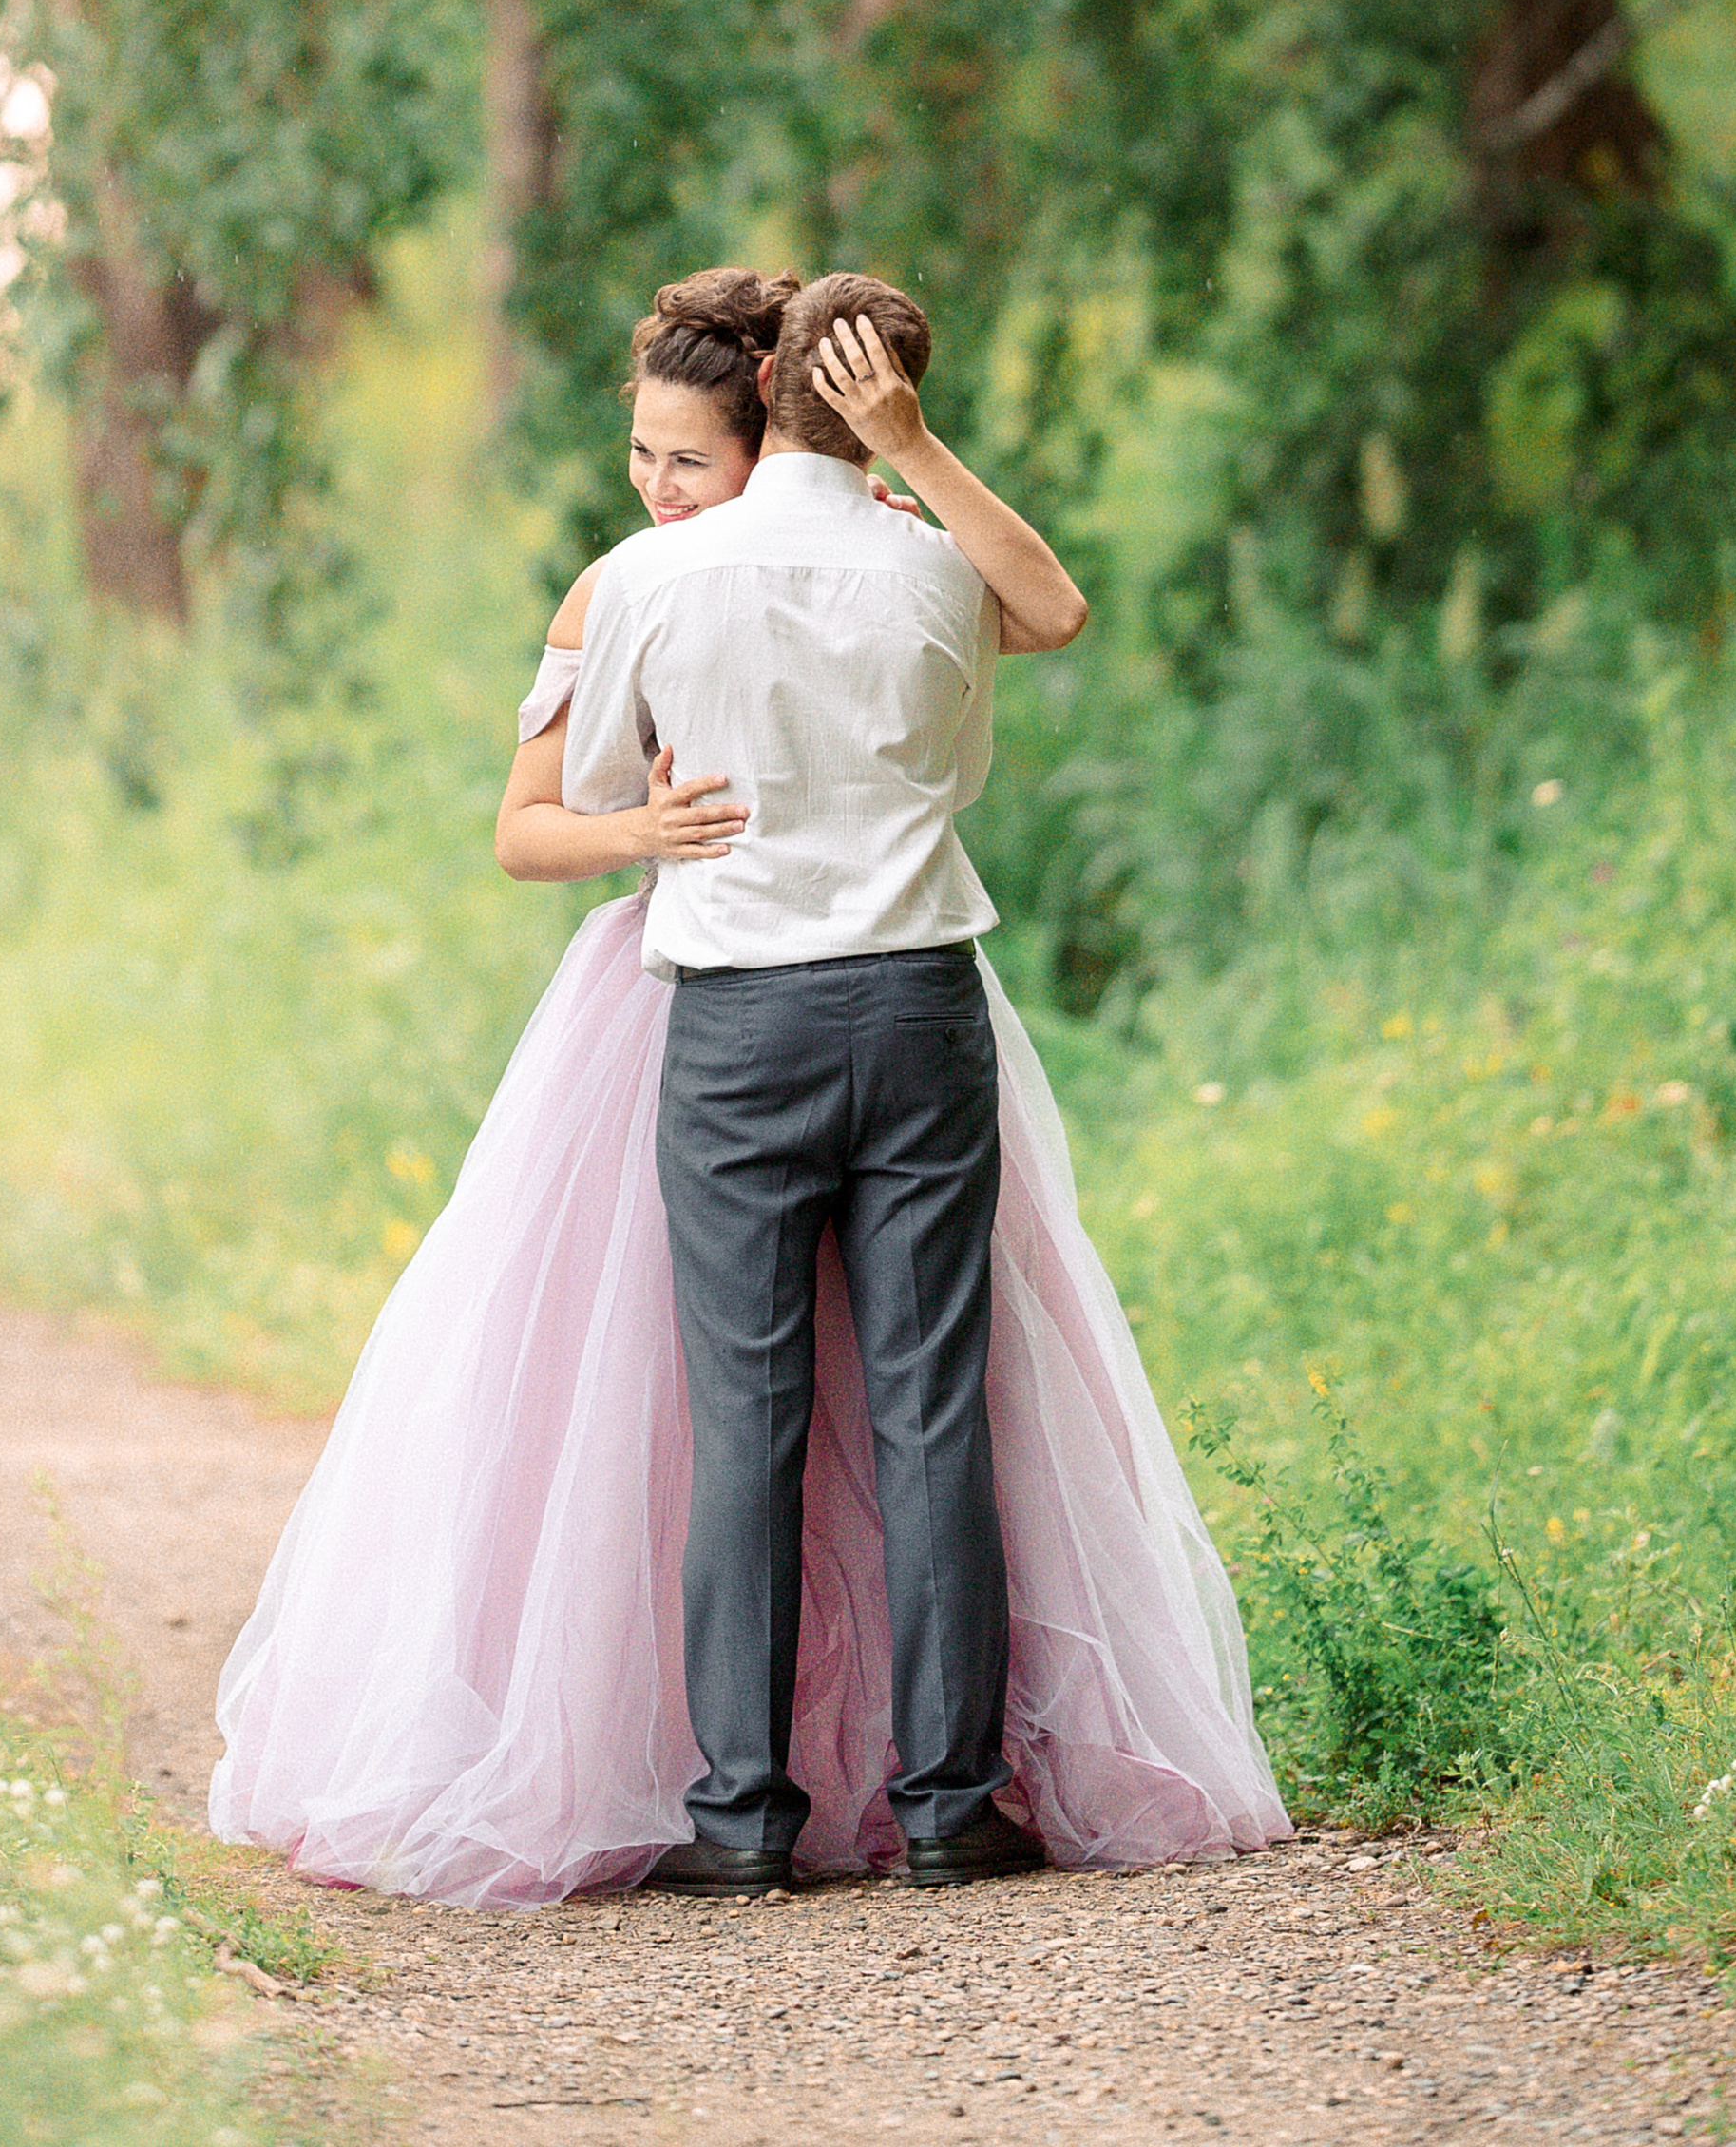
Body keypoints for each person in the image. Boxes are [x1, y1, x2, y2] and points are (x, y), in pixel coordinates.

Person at [210, 268, 1286, 1904]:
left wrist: (654, 818)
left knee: (747, 1414)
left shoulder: (651, 582)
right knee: (934, 1408)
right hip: (919, 1006)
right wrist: (913, 452)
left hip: (733, 1021)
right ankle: (945, 1806)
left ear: (764, 388)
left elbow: (559, 798)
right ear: (869, 398)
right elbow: (1054, 609)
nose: (650, 470)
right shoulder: (934, 568)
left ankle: (739, 1817)